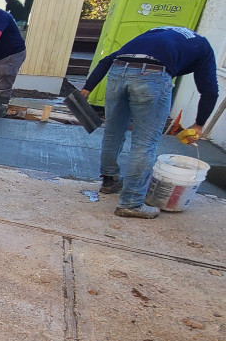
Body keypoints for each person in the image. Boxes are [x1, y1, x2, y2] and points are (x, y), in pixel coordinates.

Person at [80, 26, 219, 219]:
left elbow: (106, 61)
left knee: (113, 132)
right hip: (153, 75)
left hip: (118, 71)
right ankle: (131, 203)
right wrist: (198, 124)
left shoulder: (152, 34)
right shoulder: (203, 47)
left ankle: (109, 181)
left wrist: (86, 90)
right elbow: (210, 90)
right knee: (144, 143)